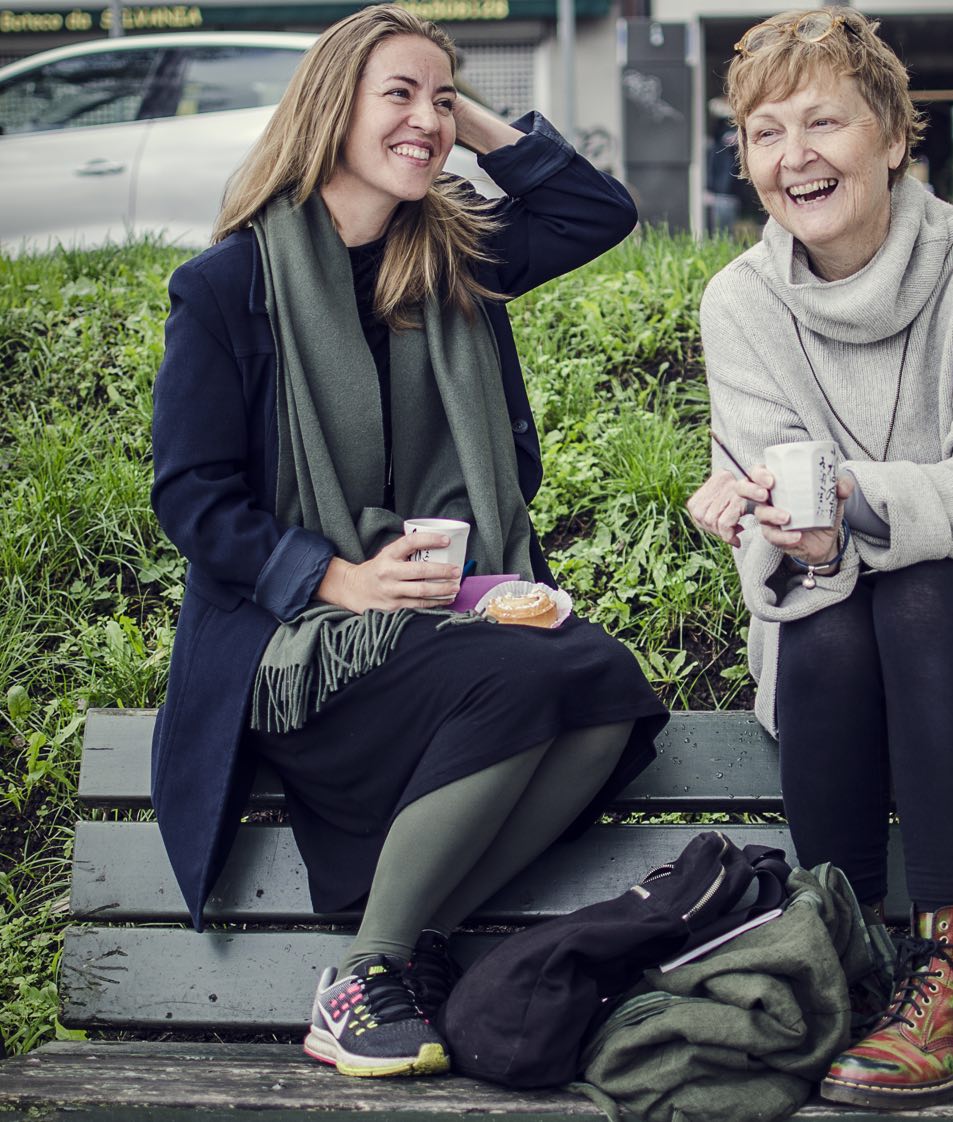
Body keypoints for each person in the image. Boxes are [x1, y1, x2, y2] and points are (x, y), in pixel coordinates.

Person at [150, 4, 666, 1081]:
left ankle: (406, 940)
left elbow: (595, 210)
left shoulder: (452, 257)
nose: (427, 119)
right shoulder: (231, 287)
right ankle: (364, 972)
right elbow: (192, 497)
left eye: (442, 97)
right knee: (528, 679)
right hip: (305, 651)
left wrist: (457, 120)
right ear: (330, 105)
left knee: (606, 687)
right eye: (400, 94)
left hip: (452, 624)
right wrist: (337, 577)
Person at [686, 7, 953, 1110]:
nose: (795, 158)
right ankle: (848, 961)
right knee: (829, 612)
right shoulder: (739, 304)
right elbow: (785, 551)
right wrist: (773, 526)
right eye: (765, 132)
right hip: (839, 624)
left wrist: (848, 497)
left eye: (823, 121)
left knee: (920, 589)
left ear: (891, 134)